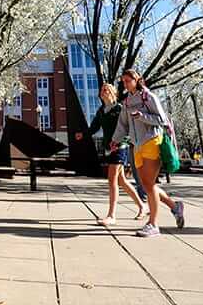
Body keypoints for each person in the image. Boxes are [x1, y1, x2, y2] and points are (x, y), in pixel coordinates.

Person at [110, 69, 185, 238]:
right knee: (145, 185)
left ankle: (153, 224)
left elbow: (162, 119)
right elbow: (122, 125)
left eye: (128, 80)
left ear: (137, 80)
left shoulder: (148, 96)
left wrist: (142, 116)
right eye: (123, 81)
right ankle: (175, 207)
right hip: (136, 145)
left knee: (148, 184)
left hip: (152, 141)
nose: (125, 84)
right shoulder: (127, 101)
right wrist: (115, 140)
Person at [76, 83, 146, 225]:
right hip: (109, 148)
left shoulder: (120, 109)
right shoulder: (101, 110)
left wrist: (121, 143)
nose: (104, 91)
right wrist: (82, 135)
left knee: (111, 179)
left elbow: (128, 128)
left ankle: (111, 215)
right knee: (121, 181)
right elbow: (94, 127)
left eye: (107, 89)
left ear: (113, 93)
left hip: (120, 147)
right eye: (102, 90)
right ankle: (142, 206)